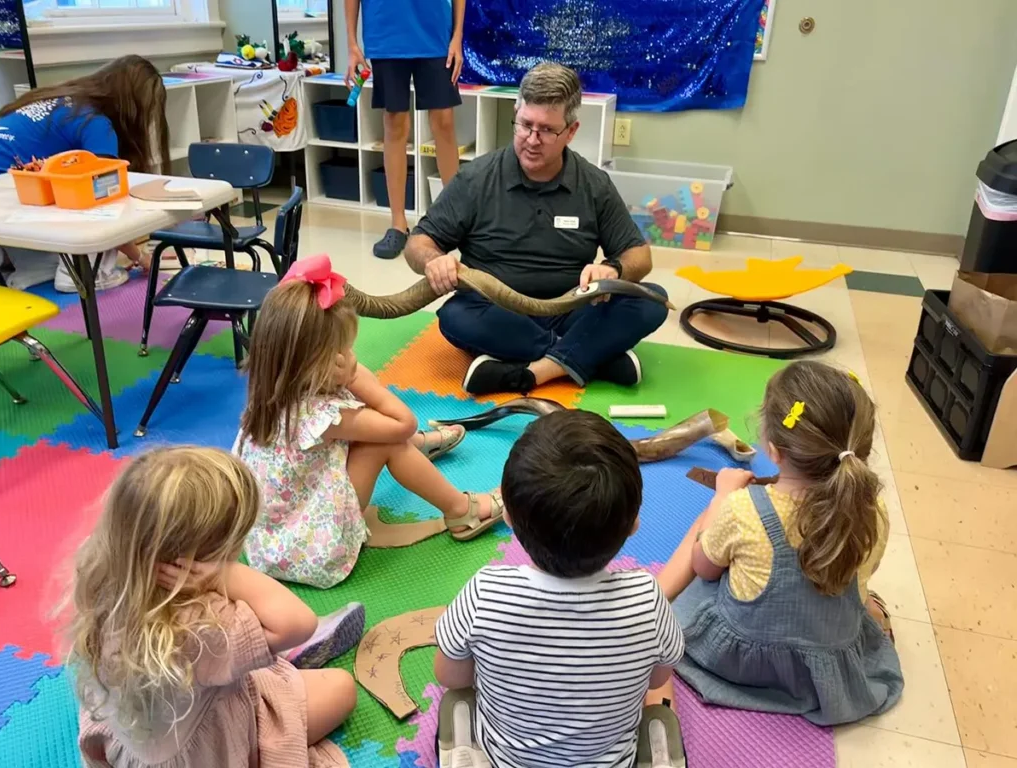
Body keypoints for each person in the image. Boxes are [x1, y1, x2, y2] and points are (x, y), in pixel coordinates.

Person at [68, 446, 359, 768]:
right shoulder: (202, 624)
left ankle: (263, 650)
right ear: (201, 557)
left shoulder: (104, 576)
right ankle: (266, 648)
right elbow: (300, 623)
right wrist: (227, 575)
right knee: (341, 688)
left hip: (136, 735)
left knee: (273, 663)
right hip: (205, 751)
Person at [234, 255, 504, 589]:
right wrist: (357, 379)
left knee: (386, 434)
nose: (351, 355)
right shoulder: (322, 416)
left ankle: (417, 449)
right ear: (317, 364)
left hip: (267, 536)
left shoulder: (272, 387)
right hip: (309, 550)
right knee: (391, 441)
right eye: (344, 350)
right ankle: (462, 511)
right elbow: (401, 421)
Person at [657, 361, 904, 726]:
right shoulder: (873, 510)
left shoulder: (744, 509)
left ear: (773, 450)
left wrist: (720, 499)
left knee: (706, 545)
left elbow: (704, 568)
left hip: (742, 664)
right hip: (823, 673)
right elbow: (860, 575)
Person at [434, 410, 686, 767]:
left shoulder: (485, 593)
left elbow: (450, 675)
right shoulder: (648, 600)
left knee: (455, 701)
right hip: (612, 762)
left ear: (507, 517)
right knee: (660, 707)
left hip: (506, 759)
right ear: (633, 525)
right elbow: (656, 678)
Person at [405, 62, 667, 396]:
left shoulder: (593, 184)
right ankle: (590, 356)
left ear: (571, 131)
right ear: (516, 112)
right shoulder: (476, 178)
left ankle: (529, 373)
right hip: (497, 313)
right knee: (455, 317)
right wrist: (432, 260)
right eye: (525, 125)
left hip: (572, 308)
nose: (532, 139)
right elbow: (418, 242)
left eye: (546, 130)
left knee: (652, 299)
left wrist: (612, 268)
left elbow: (639, 256)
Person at [0, 55, 170, 292]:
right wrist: (140, 256)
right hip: (4, 189)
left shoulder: (56, 98)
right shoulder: (95, 121)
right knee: (97, 194)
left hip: (6, 195)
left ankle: (32, 267)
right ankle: (87, 274)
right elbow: (105, 195)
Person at [345, 0, 466, 259]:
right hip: (386, 35)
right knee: (394, 123)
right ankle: (398, 224)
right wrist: (352, 43)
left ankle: (454, 219)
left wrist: (457, 37)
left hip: (434, 33)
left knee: (444, 122)